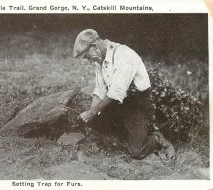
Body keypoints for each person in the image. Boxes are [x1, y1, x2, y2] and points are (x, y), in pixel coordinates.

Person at [73, 29, 175, 160]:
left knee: (137, 151)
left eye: (87, 56)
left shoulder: (124, 55)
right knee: (97, 126)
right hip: (118, 103)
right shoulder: (99, 60)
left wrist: (92, 113)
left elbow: (116, 92)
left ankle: (156, 138)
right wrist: (91, 113)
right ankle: (127, 133)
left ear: (94, 47)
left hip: (137, 104)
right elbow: (100, 89)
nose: (89, 60)